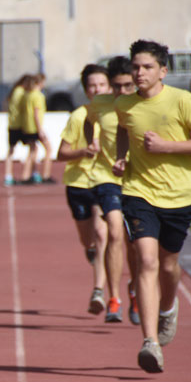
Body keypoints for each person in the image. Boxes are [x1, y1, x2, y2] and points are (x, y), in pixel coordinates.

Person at [113, 40, 191, 373]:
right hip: (138, 192)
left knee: (169, 266)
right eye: (135, 66)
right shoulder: (124, 104)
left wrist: (166, 146)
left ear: (162, 71)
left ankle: (168, 309)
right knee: (145, 261)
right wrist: (120, 157)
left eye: (146, 67)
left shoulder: (182, 100)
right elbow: (122, 130)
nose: (139, 72)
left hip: (180, 196)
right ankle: (150, 343)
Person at [84, 56, 140, 324]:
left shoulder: (143, 103)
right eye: (117, 86)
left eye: (127, 86)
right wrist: (90, 142)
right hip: (107, 176)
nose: (122, 92)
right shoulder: (100, 104)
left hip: (140, 180)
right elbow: (87, 120)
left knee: (136, 244)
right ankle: (113, 297)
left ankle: (135, 291)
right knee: (115, 231)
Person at [55, 64, 109, 315]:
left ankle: (99, 290)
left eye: (101, 84)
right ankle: (90, 251)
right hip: (78, 184)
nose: (97, 89)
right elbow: (61, 154)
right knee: (88, 239)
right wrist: (83, 151)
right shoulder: (78, 117)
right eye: (92, 86)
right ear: (86, 90)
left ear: (109, 87)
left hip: (104, 183)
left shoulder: (117, 116)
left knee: (101, 233)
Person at [20, 73, 54, 184]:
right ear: (41, 83)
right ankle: (46, 175)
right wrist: (40, 129)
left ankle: (26, 175)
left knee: (32, 151)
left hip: (28, 126)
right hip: (35, 127)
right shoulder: (38, 96)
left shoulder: (27, 95)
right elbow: (36, 113)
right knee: (49, 149)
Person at [2, 74, 32, 185]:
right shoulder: (22, 93)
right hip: (20, 125)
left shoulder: (14, 91)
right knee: (33, 148)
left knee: (11, 150)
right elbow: (24, 109)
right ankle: (26, 174)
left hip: (12, 124)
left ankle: (8, 175)